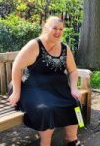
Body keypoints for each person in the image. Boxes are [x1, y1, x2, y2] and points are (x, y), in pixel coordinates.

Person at [8, 16, 84, 146]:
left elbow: (73, 71)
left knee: (75, 104)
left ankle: (72, 140)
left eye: (61, 29)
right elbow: (17, 67)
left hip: (57, 89)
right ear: (45, 28)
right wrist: (16, 92)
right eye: (54, 28)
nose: (58, 32)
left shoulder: (65, 48)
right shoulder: (35, 45)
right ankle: (45, 143)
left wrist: (74, 88)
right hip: (31, 88)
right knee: (46, 110)